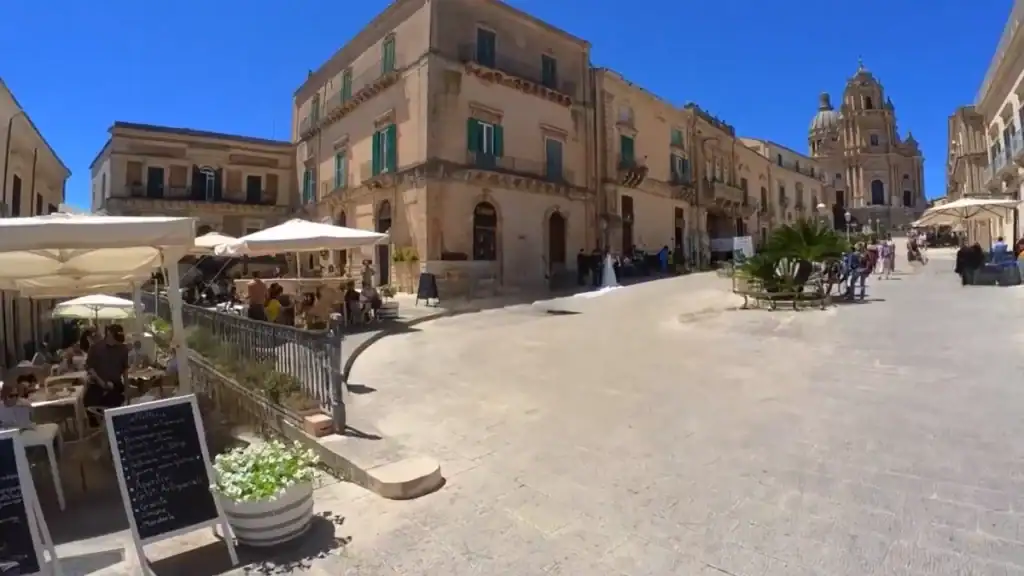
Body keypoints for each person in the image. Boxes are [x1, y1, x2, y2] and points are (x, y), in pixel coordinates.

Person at [83, 324, 130, 420]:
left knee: (115, 404)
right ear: (109, 334)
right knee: (89, 404)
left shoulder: (123, 349)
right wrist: (102, 383)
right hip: (97, 385)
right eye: (116, 339)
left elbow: (125, 370)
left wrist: (127, 390)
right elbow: (90, 369)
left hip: (115, 385)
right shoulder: (95, 348)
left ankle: (112, 422)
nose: (118, 342)